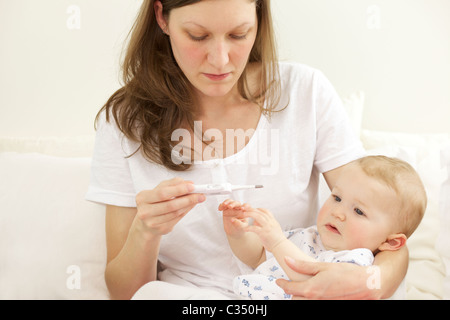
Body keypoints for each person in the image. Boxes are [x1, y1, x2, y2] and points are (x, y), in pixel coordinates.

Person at [85, 0, 409, 300]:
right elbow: (126, 292)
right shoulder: (124, 122)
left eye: (239, 34)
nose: (220, 59)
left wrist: (370, 282)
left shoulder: (305, 92)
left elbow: (387, 221)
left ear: (258, 19)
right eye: (198, 36)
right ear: (161, 16)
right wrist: (146, 228)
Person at [218, 155, 427, 299]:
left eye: (359, 211)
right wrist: (238, 233)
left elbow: (315, 282)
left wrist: (277, 241)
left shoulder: (358, 262)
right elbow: (258, 258)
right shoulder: (310, 237)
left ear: (390, 242)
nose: (337, 212)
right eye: (336, 197)